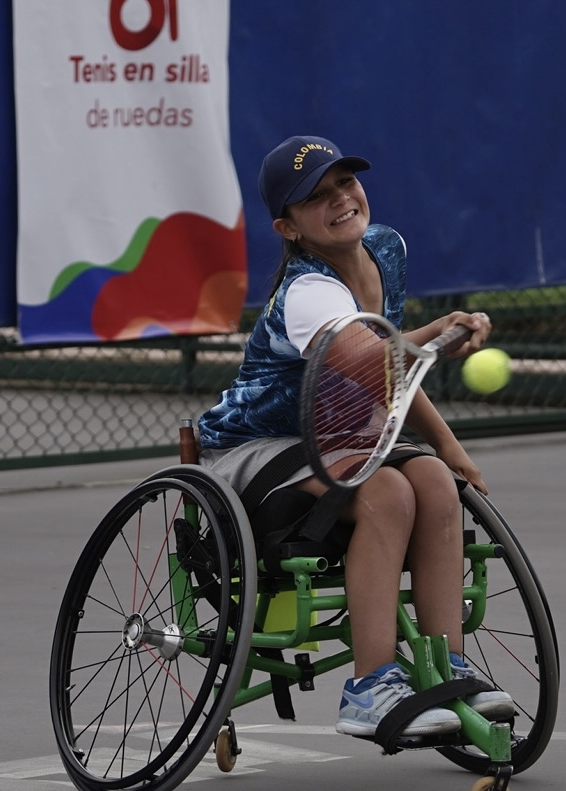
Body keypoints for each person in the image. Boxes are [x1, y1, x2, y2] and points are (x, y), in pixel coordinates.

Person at [197, 135, 515, 737]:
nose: (341, 199)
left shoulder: (384, 248)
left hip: (336, 433)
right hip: (253, 448)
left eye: (345, 182)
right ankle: (370, 688)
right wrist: (439, 334)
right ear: (288, 227)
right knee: (388, 494)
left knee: (433, 483)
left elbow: (392, 374)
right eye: (317, 197)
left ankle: (442, 668)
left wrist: (448, 449)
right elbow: (371, 364)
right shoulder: (306, 293)